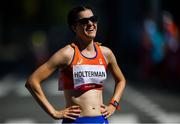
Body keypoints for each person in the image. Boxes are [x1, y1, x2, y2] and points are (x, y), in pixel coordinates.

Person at [25, 6, 126, 124]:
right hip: (76, 121)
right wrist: (54, 112)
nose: (90, 24)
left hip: (101, 120)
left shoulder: (105, 53)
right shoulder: (67, 54)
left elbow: (121, 80)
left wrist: (113, 104)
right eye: (84, 21)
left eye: (93, 19)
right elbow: (32, 82)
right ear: (74, 27)